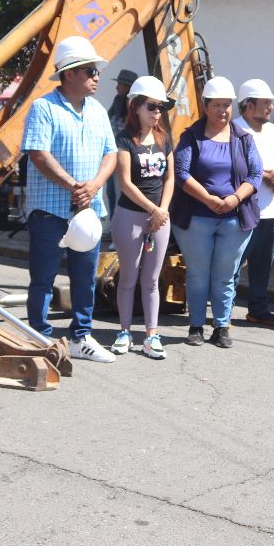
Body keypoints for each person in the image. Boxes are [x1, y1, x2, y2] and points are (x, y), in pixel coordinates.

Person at [21, 36, 118, 362]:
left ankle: (80, 336)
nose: (96, 76)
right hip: (50, 210)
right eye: (91, 70)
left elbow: (111, 155)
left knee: (85, 278)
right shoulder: (43, 107)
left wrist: (93, 186)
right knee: (43, 280)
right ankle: (39, 338)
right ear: (70, 72)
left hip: (87, 209)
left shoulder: (98, 111)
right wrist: (75, 185)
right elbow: (38, 154)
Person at [172, 77, 262, 348]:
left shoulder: (244, 138)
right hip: (197, 217)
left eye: (227, 105)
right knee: (198, 273)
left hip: (234, 218)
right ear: (206, 106)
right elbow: (181, 173)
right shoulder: (191, 136)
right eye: (217, 105)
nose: (223, 110)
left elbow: (256, 175)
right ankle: (196, 325)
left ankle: (221, 326)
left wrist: (234, 198)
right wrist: (209, 199)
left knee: (225, 274)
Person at [107, 76, 174, 359]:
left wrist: (163, 211)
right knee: (128, 278)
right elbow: (126, 183)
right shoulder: (124, 140)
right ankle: (124, 331)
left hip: (158, 219)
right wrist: (153, 209)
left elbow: (170, 178)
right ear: (135, 107)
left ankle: (151, 334)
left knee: (152, 280)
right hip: (131, 216)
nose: (157, 112)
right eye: (152, 106)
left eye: (161, 107)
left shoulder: (163, 139)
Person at [234, 79, 274, 327]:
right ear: (248, 105)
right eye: (266, 102)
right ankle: (223, 311)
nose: (270, 107)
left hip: (271, 211)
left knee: (262, 266)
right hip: (244, 210)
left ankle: (258, 308)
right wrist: (266, 175)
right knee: (234, 264)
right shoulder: (234, 130)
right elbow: (233, 165)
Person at [104, 69, 138, 220]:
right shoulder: (116, 102)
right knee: (111, 193)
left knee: (120, 194)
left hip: (125, 157)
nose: (117, 87)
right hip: (111, 155)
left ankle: (117, 229)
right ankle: (112, 227)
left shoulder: (134, 107)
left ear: (128, 87)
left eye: (121, 84)